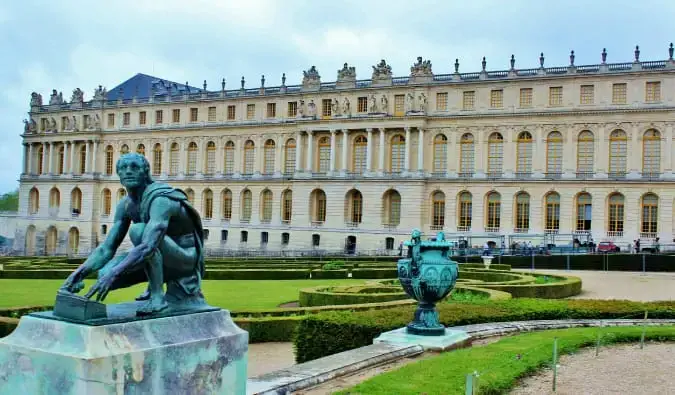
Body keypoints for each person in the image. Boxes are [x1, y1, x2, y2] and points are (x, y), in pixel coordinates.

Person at [61, 153, 205, 315]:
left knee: (139, 231)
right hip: (160, 252)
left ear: (146, 172)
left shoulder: (161, 199)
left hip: (185, 259)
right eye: (123, 168)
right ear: (119, 174)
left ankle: (157, 298)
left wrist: (115, 274)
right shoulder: (126, 205)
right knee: (103, 273)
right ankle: (152, 287)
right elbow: (106, 249)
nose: (128, 171)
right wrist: (78, 274)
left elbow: (148, 246)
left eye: (134, 167)